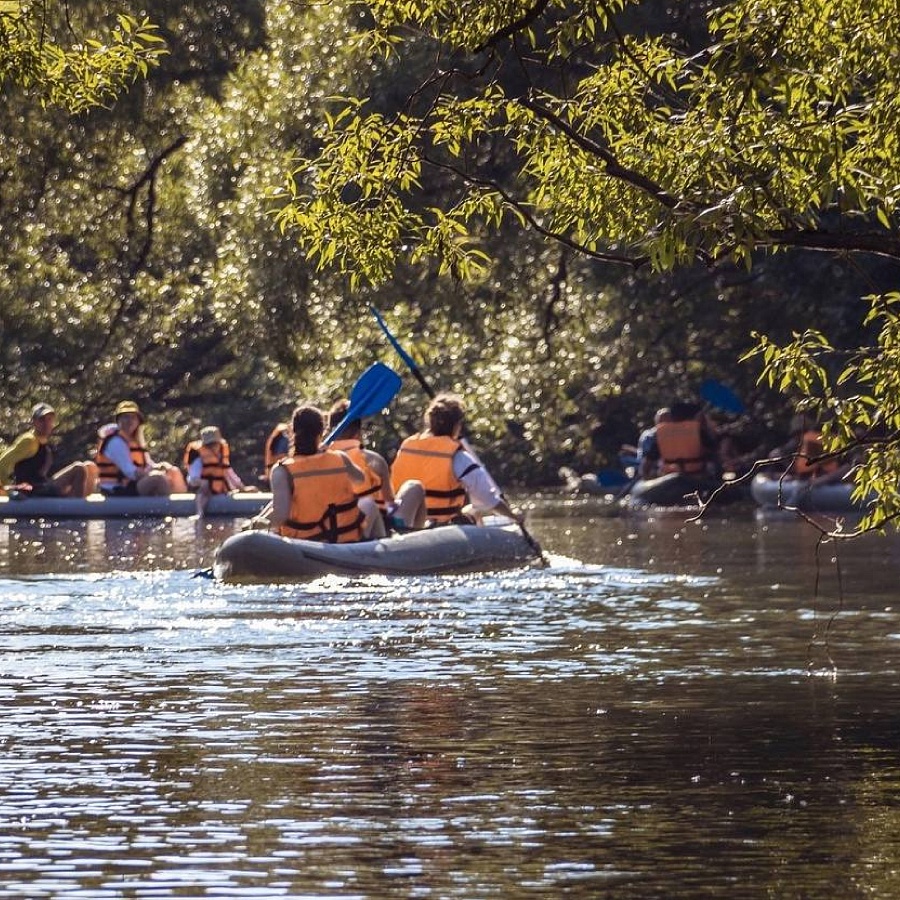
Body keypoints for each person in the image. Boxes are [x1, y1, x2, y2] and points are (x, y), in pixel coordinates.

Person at [390, 392, 522, 530]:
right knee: (475, 513)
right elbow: (489, 501)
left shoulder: (407, 447)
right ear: (456, 426)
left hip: (406, 520)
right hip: (439, 527)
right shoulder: (459, 457)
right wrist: (513, 516)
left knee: (471, 510)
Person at [262, 403, 380, 542]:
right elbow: (360, 479)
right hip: (346, 541)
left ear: (292, 432)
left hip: (306, 545)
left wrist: (256, 523)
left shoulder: (283, 471)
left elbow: (279, 517)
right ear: (322, 432)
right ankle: (383, 542)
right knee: (369, 504)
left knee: (273, 531)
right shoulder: (340, 458)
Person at [327, 398, 395, 536]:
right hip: (365, 530)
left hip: (328, 528)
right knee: (414, 488)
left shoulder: (319, 460)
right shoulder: (374, 460)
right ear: (358, 433)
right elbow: (390, 503)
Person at [0, 403, 97, 497]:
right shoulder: (29, 441)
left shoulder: (43, 441)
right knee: (79, 468)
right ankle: (75, 509)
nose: (46, 423)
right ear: (34, 422)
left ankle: (84, 507)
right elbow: (2, 464)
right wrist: (9, 490)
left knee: (90, 467)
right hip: (30, 491)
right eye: (42, 420)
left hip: (41, 486)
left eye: (49, 419)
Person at [94, 400, 188, 496]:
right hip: (116, 489)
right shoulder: (115, 442)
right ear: (119, 420)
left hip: (132, 484)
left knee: (173, 471)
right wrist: (153, 474)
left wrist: (159, 467)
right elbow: (130, 472)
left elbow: (147, 465)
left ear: (138, 421)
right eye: (125, 417)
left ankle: (182, 507)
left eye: (133, 417)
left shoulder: (134, 441)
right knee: (158, 479)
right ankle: (169, 509)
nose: (129, 421)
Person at [183, 425, 250, 516]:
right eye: (210, 444)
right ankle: (200, 512)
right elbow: (194, 476)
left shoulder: (222, 451)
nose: (213, 446)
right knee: (205, 485)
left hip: (216, 484)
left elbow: (229, 471)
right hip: (197, 482)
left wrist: (240, 486)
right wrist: (203, 482)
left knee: (246, 488)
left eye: (215, 443)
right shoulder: (197, 455)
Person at [641, 400, 717, 478]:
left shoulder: (662, 433)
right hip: (697, 474)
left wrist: (645, 476)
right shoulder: (698, 430)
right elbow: (713, 451)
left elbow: (648, 461)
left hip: (670, 476)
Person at [261, 421, 291, 488]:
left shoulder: (273, 439)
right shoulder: (284, 440)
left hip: (272, 472)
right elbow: (281, 456)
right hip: (278, 472)